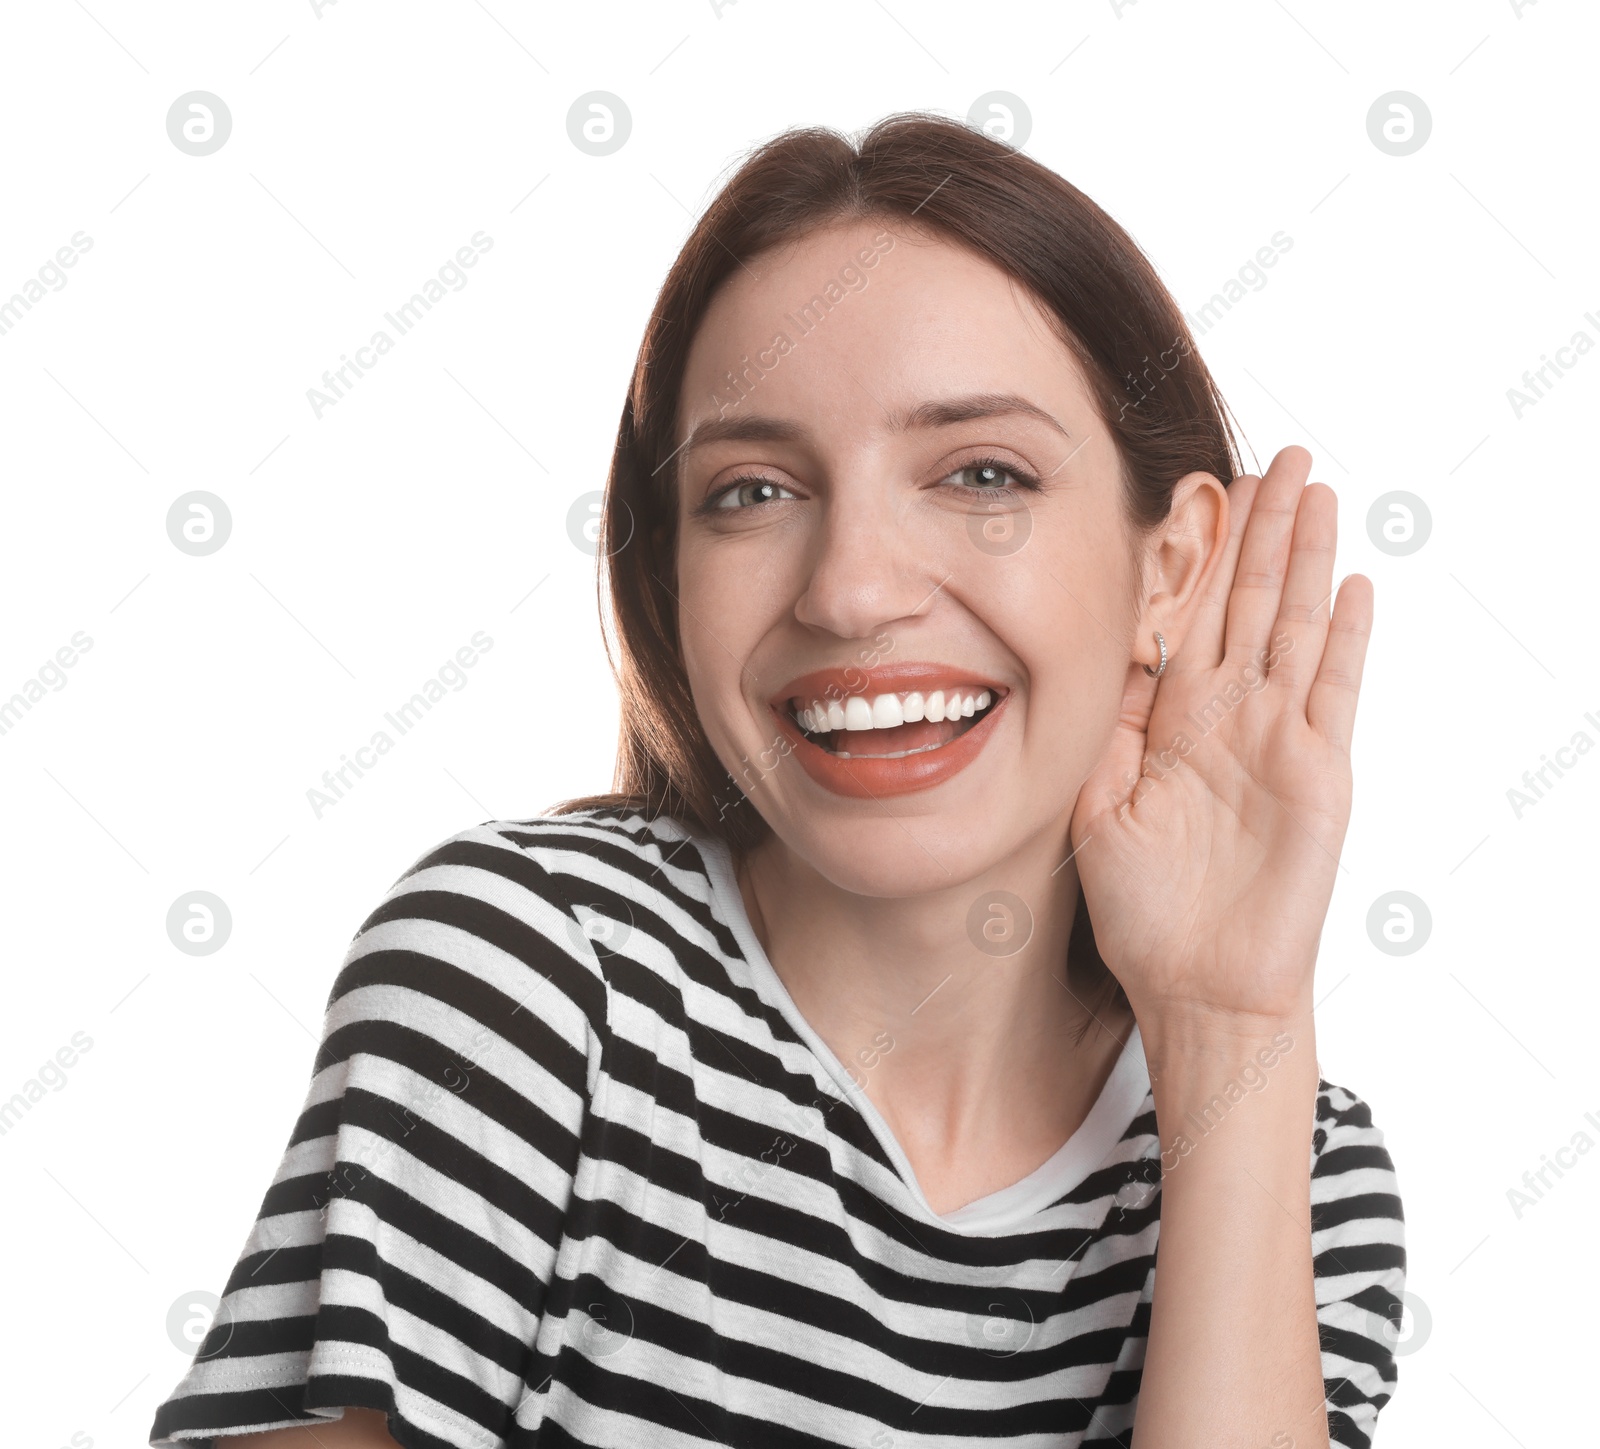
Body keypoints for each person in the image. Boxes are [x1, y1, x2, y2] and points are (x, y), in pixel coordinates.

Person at [150, 112, 1405, 1449]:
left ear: (1172, 570)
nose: (852, 588)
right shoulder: (530, 980)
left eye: (982, 473)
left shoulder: (1302, 1172)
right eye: (751, 492)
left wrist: (1230, 1026)